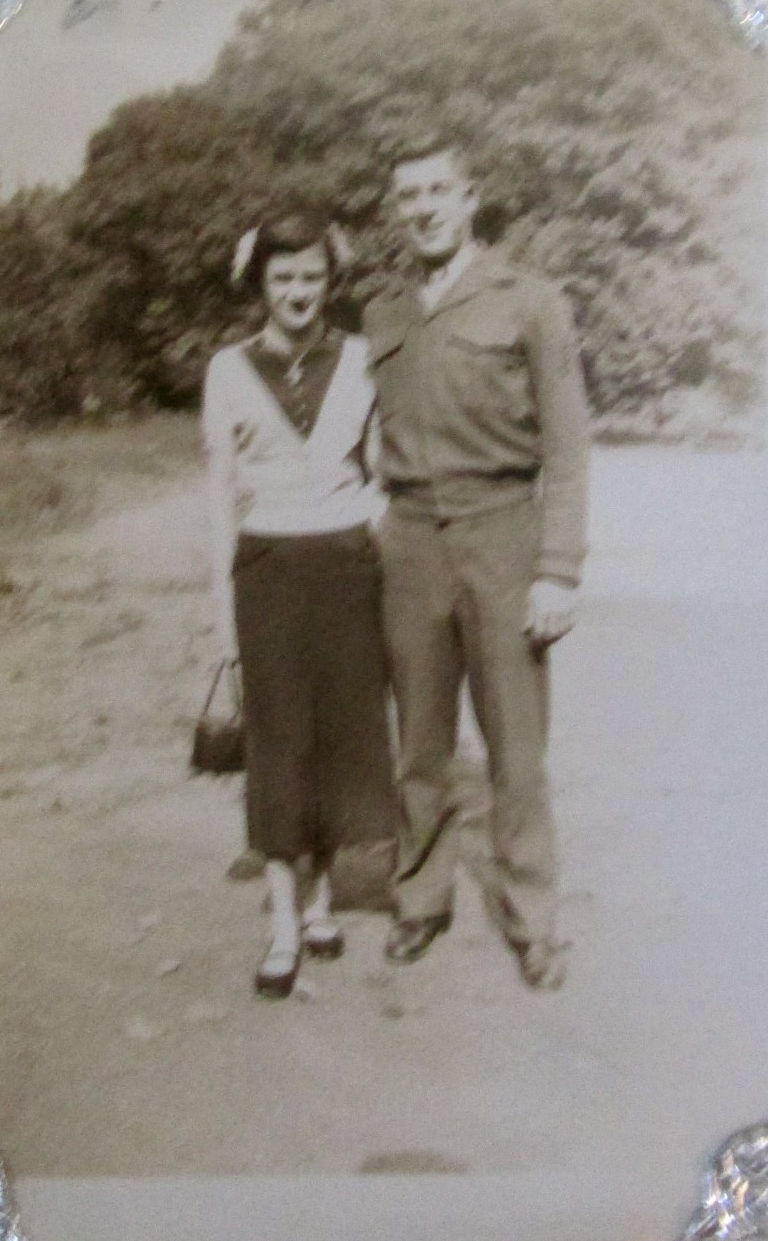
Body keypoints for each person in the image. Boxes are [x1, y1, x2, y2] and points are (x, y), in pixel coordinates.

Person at [363, 141, 589, 989]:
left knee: (515, 746)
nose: (420, 207)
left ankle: (532, 918)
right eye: (405, 194)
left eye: (435, 191)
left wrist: (557, 568)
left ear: (468, 200)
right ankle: (420, 899)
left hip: (501, 533)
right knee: (418, 742)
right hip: (411, 538)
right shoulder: (382, 312)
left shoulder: (528, 301)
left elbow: (567, 448)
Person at [202, 212, 396, 998]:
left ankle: (322, 903)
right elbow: (219, 497)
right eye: (282, 278)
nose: (297, 292)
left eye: (311, 277)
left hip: (348, 562)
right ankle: (282, 922)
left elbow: (380, 471)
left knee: (341, 735)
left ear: (330, 280)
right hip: (268, 568)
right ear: (260, 285)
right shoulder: (226, 368)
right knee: (278, 743)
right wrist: (221, 614)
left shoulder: (358, 359)